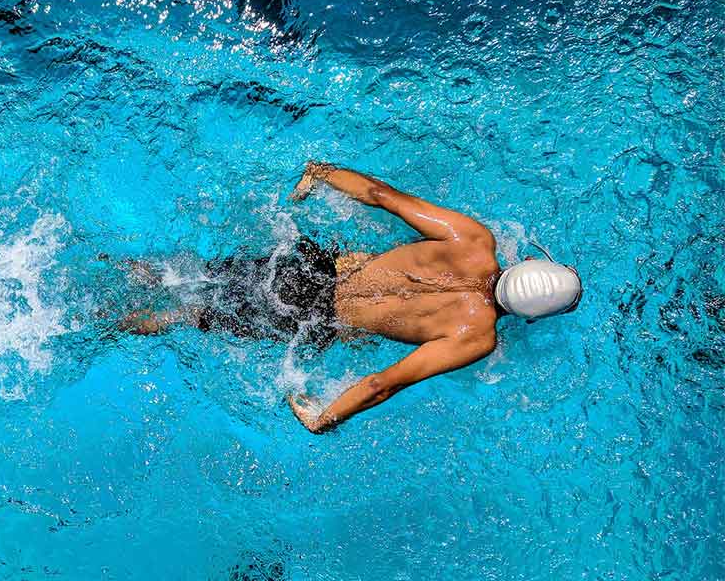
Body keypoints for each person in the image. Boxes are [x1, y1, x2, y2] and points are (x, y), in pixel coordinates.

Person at [119, 163, 582, 434]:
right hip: (313, 319)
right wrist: (325, 417)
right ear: (531, 317)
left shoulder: (473, 240)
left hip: (311, 267)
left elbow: (382, 195)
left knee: (188, 275)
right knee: (190, 315)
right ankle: (107, 322)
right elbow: (384, 383)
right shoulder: (476, 336)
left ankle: (118, 265)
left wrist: (322, 173)